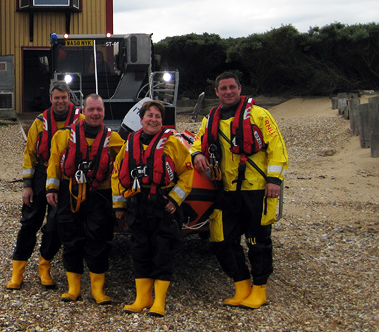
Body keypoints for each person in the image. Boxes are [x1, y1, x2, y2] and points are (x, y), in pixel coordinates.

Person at [190, 72, 288, 309]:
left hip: (257, 189)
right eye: (223, 88)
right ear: (217, 92)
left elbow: (277, 147)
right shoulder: (210, 118)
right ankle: (241, 285)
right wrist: (198, 154)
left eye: (232, 87)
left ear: (240, 88)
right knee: (220, 239)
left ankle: (259, 290)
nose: (228, 92)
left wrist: (274, 180)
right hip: (227, 189)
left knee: (258, 240)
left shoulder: (259, 115)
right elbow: (197, 142)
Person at [111, 100, 193, 317]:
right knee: (140, 252)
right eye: (150, 115)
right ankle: (142, 298)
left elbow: (187, 173)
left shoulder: (173, 144)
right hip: (138, 205)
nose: (153, 119)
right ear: (141, 119)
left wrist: (174, 200)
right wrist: (119, 205)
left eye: (157, 116)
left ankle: (159, 302)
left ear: (162, 121)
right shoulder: (130, 143)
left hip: (163, 206)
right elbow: (117, 173)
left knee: (162, 253)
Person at [45, 94, 124, 304]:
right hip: (69, 193)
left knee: (98, 241)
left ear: (104, 112)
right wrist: (51, 189)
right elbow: (54, 162)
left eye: (99, 110)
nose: (95, 114)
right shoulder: (64, 136)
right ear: (83, 111)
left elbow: (129, 158)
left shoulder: (113, 139)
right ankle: (74, 289)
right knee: (70, 240)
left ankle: (98, 290)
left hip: (99, 196)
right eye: (91, 110)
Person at [7, 81, 83, 290]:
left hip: (65, 178)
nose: (60, 101)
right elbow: (29, 154)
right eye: (56, 98)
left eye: (64, 97)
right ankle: (17, 272)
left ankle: (44, 266)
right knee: (29, 223)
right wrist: (27, 185)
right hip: (41, 175)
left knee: (56, 225)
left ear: (70, 99)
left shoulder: (81, 121)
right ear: (50, 99)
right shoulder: (39, 123)